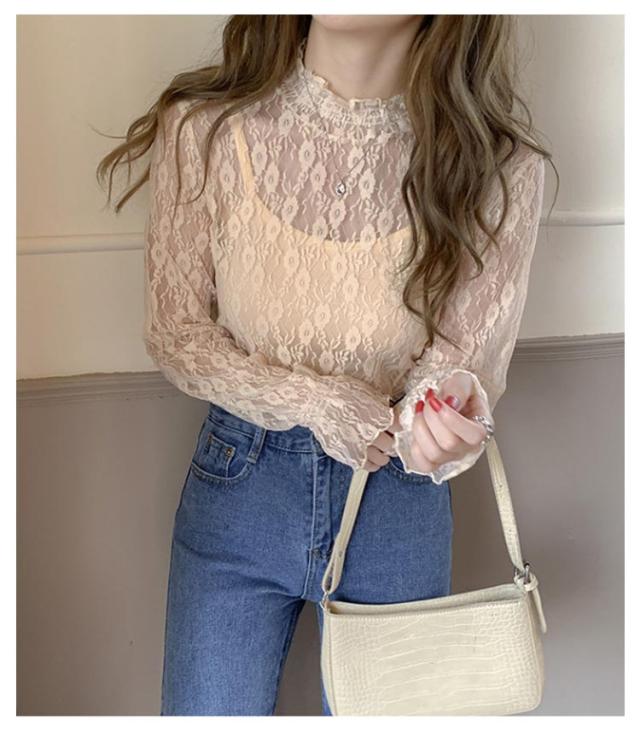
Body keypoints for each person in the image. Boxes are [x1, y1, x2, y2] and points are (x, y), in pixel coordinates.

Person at [97, 14, 556, 716]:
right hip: (239, 486)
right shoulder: (203, 128)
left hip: (396, 500)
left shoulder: (500, 166)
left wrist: (440, 423)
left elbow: (463, 360)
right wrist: (317, 403)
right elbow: (177, 332)